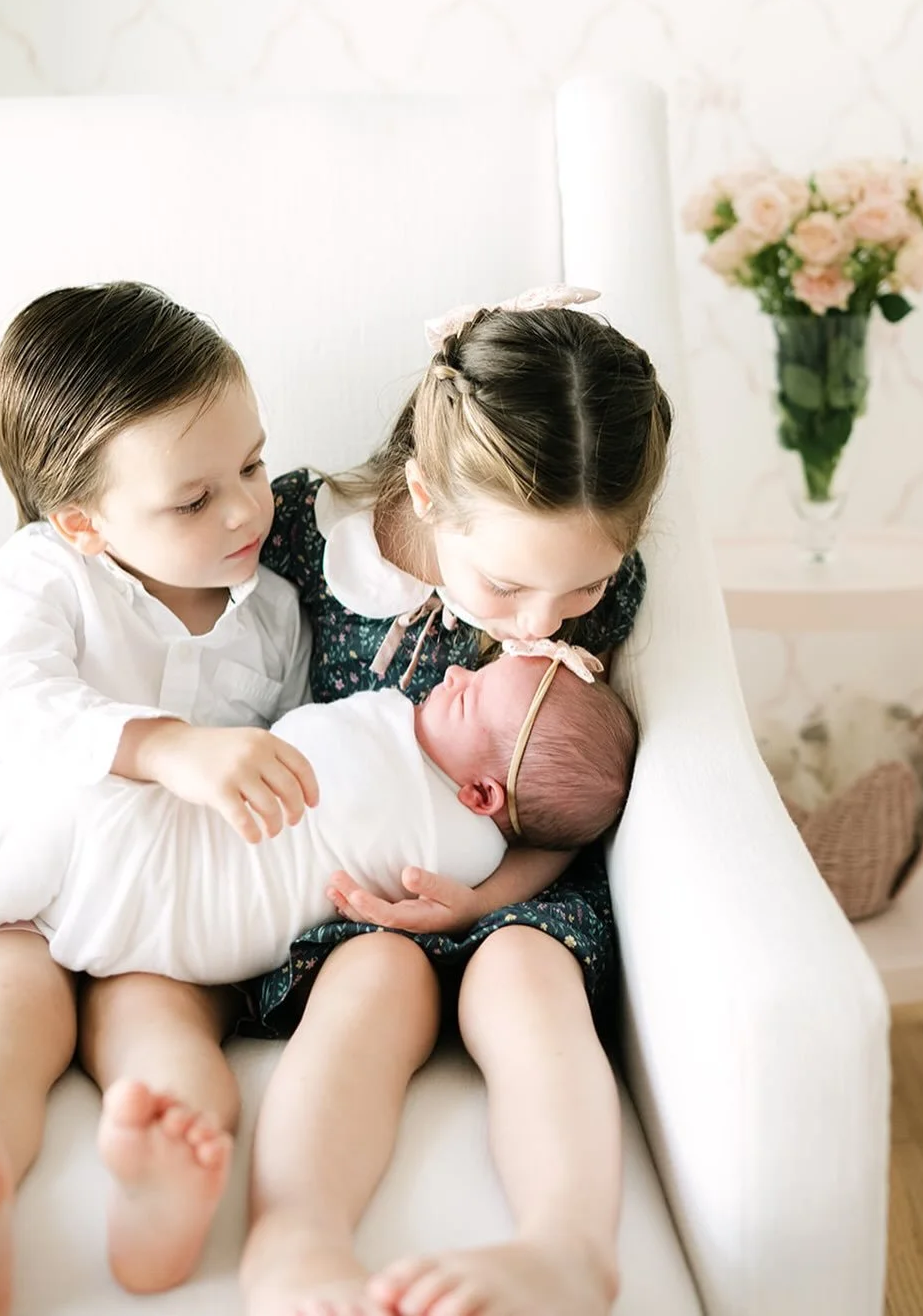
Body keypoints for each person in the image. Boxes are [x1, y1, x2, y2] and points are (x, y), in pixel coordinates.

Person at [237, 285, 673, 1316]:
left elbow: (574, 800)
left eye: (576, 590)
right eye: (510, 583)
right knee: (372, 977)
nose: (539, 621)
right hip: (356, 897)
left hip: (506, 891)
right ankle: (295, 1238)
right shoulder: (304, 531)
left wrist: (483, 902)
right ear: (428, 497)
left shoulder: (599, 585)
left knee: (526, 969)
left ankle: (567, 1245)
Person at [0, 281, 316, 1315]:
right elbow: (14, 695)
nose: (245, 508)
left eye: (252, 464)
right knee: (2, 1010)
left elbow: (290, 758)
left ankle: (164, 1165)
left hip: (157, 909)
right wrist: (161, 747)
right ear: (83, 523)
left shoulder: (273, 615)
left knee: (163, 1027)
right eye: (193, 499)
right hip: (23, 889)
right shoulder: (44, 575)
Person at [0, 646, 635, 986]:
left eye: (468, 698)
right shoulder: (474, 855)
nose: (451, 676)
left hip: (141, 855)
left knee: (44, 813)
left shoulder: (411, 795)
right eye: (473, 673)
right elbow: (551, 835)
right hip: (181, 937)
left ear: (481, 796)